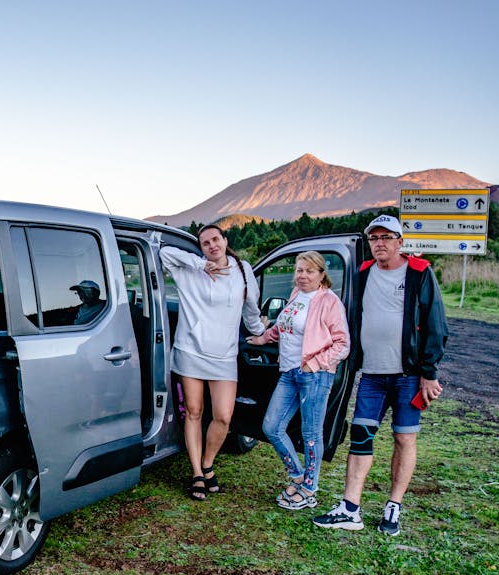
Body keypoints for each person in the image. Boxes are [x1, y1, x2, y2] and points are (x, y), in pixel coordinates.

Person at [312, 214, 448, 536]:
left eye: (387, 237)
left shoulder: (419, 272)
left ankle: (393, 507)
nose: (380, 243)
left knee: (404, 438)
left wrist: (428, 373)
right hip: (371, 375)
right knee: (360, 437)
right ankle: (350, 508)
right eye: (374, 238)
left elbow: (436, 325)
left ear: (401, 241)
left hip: (408, 375)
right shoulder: (363, 273)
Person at [160, 225, 265, 501]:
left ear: (225, 240)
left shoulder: (242, 270)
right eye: (205, 242)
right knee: (194, 412)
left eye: (216, 239)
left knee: (223, 416)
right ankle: (197, 472)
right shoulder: (190, 270)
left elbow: (251, 308)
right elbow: (164, 253)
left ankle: (208, 463)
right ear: (201, 247)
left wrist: (260, 333)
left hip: (224, 355)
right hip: (190, 350)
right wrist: (200, 264)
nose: (212, 245)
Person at [246, 251, 349, 510]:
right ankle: (298, 476)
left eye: (309, 271)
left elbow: (342, 344)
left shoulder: (328, 301)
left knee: (311, 433)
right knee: (271, 427)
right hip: (289, 372)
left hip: (315, 375)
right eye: (299, 270)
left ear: (321, 274)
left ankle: (310, 489)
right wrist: (263, 338)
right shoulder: (296, 295)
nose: (303, 275)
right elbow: (284, 327)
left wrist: (314, 364)